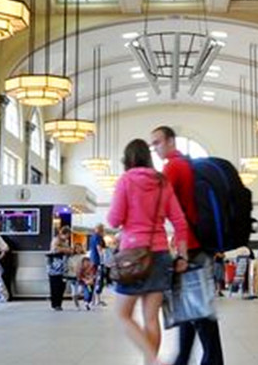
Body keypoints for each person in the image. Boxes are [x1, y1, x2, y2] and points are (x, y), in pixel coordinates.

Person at [108, 139, 190, 365]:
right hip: (160, 255)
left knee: (123, 315)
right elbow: (180, 222)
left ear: (128, 160)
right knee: (151, 318)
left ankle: (153, 360)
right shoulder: (162, 182)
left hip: (133, 257)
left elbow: (114, 220)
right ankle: (151, 362)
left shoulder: (126, 180)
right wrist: (182, 255)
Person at [150, 126, 225, 365]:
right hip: (197, 243)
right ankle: (184, 358)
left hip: (191, 245)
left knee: (198, 308)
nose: (155, 147)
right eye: (152, 144)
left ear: (170, 141)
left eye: (158, 142)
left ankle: (211, 360)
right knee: (191, 306)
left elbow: (159, 205)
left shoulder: (173, 167)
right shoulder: (186, 164)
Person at [48, 226, 74, 311]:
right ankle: (55, 304)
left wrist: (67, 250)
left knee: (62, 286)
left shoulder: (65, 241)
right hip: (54, 268)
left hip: (63, 268)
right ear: (63, 233)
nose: (68, 237)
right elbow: (55, 250)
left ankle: (59, 303)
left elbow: (69, 251)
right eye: (67, 235)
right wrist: (66, 250)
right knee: (55, 286)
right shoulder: (56, 240)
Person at [88, 224, 108, 306]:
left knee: (95, 279)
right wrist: (103, 259)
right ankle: (97, 300)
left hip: (93, 260)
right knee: (99, 280)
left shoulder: (92, 237)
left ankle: (93, 300)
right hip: (98, 261)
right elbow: (99, 248)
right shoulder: (98, 237)